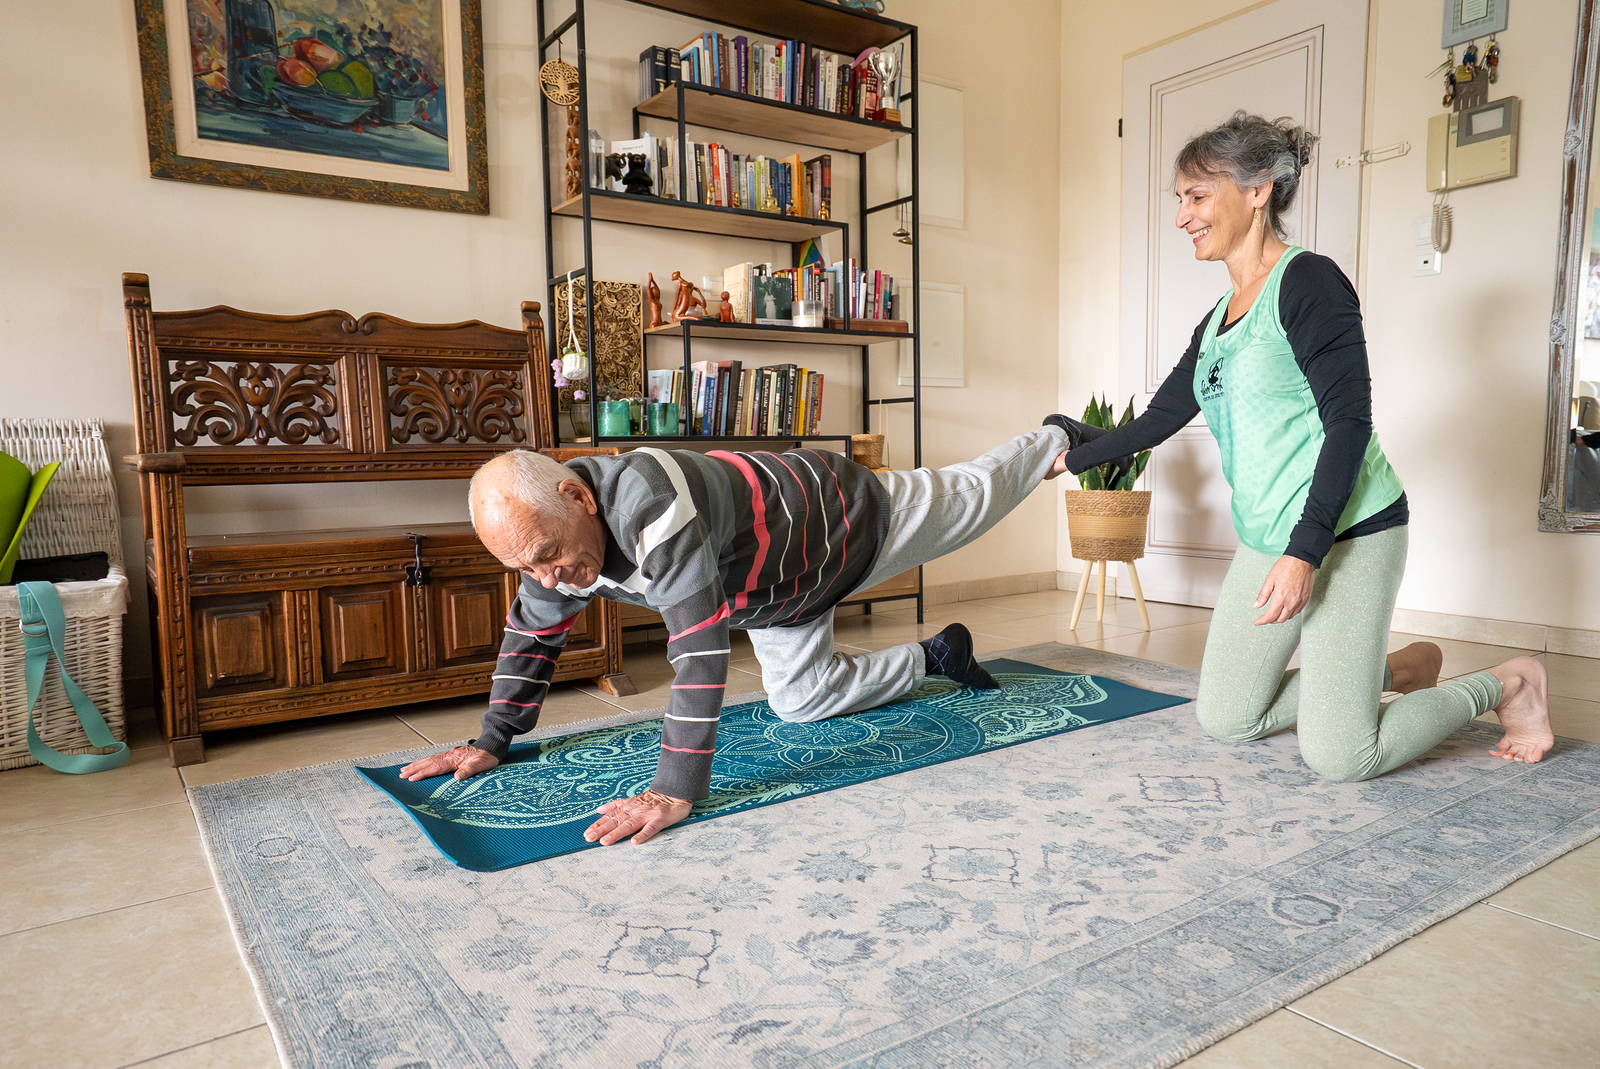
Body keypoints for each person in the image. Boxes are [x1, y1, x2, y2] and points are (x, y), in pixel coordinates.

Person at [1050, 111, 1552, 782]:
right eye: (1180, 199)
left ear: (1258, 190)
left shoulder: (1309, 283)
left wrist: (1304, 551)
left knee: (1342, 754)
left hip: (1348, 531)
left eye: (1196, 196)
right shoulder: (1216, 322)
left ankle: (1508, 683)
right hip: (1269, 537)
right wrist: (1066, 453)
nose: (1181, 217)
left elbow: (1350, 423)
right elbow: (1156, 420)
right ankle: (1398, 669)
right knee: (1226, 716)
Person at [399, 425, 1074, 844]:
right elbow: (531, 639)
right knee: (800, 701)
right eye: (525, 566)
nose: (547, 575)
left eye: (547, 554)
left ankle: (1053, 437)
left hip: (841, 523)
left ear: (579, 498)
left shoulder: (651, 503)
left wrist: (674, 787)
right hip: (776, 594)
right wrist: (491, 739)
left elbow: (697, 647)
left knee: (971, 496)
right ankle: (936, 654)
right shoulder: (546, 550)